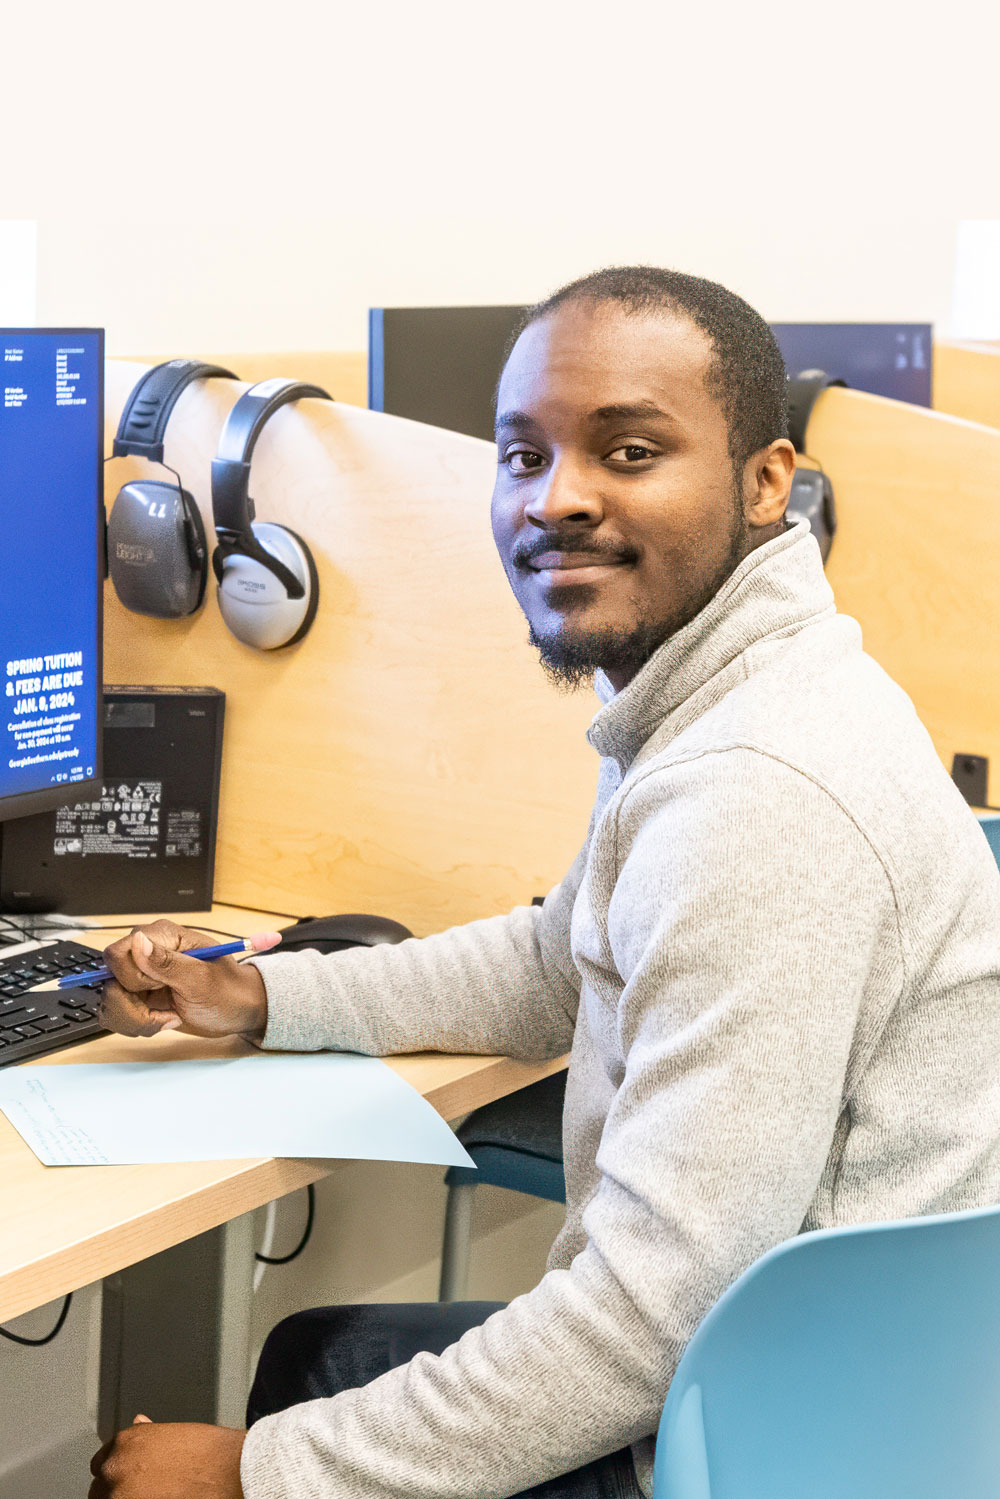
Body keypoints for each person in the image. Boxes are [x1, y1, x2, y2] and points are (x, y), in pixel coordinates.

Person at [88, 266, 1000, 1499]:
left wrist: (253, 1473)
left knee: (292, 1406)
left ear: (766, 479)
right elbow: (552, 960)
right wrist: (265, 997)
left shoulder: (754, 789)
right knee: (318, 1354)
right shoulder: (731, 691)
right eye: (521, 457)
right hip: (854, 1382)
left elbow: (650, 1316)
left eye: (628, 450)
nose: (557, 499)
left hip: (774, 1441)